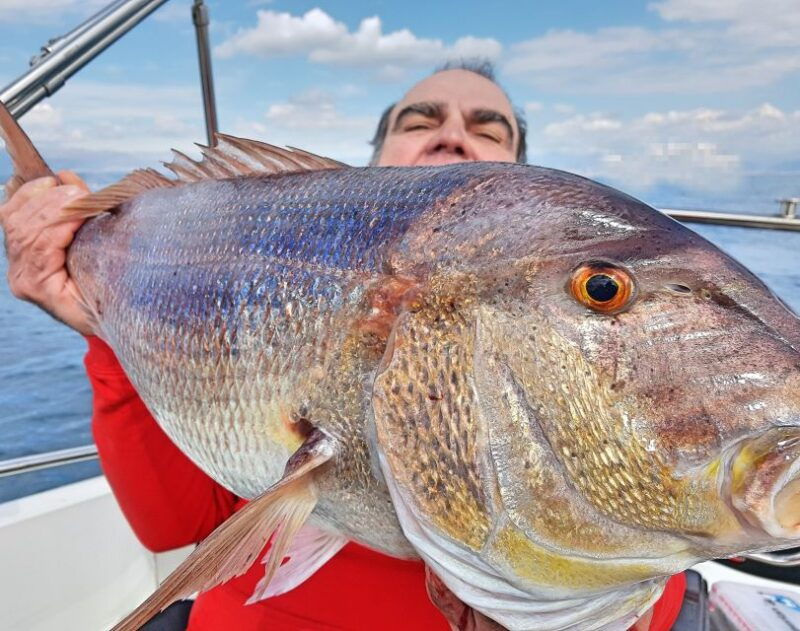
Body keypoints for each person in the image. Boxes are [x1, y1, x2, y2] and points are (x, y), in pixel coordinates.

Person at [0, 60, 684, 630]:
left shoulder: (582, 363)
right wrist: (100, 330)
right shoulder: (254, 257)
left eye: (486, 128)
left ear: (519, 180)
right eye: (421, 121)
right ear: (368, 168)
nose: (451, 136)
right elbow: (172, 523)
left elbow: (665, 545)